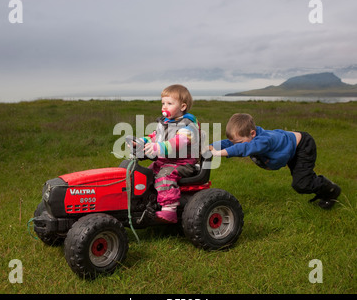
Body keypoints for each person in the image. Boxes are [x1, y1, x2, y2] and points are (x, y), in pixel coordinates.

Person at [210, 113, 341, 209]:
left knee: (301, 184)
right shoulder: (248, 137)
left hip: (302, 147)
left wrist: (218, 153)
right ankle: (319, 187)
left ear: (253, 133)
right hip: (289, 150)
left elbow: (245, 147)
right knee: (304, 180)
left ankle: (331, 190)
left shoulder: (264, 140)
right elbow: (228, 143)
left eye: (238, 142)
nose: (235, 145)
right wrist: (210, 147)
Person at [140, 84, 201, 223]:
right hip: (164, 161)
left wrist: (158, 147)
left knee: (165, 176)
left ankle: (169, 209)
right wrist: (141, 141)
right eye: (163, 103)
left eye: (169, 103)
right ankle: (148, 203)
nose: (164, 107)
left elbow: (178, 143)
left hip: (182, 162)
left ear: (183, 106)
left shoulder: (187, 125)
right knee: (145, 175)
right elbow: (155, 136)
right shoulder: (165, 123)